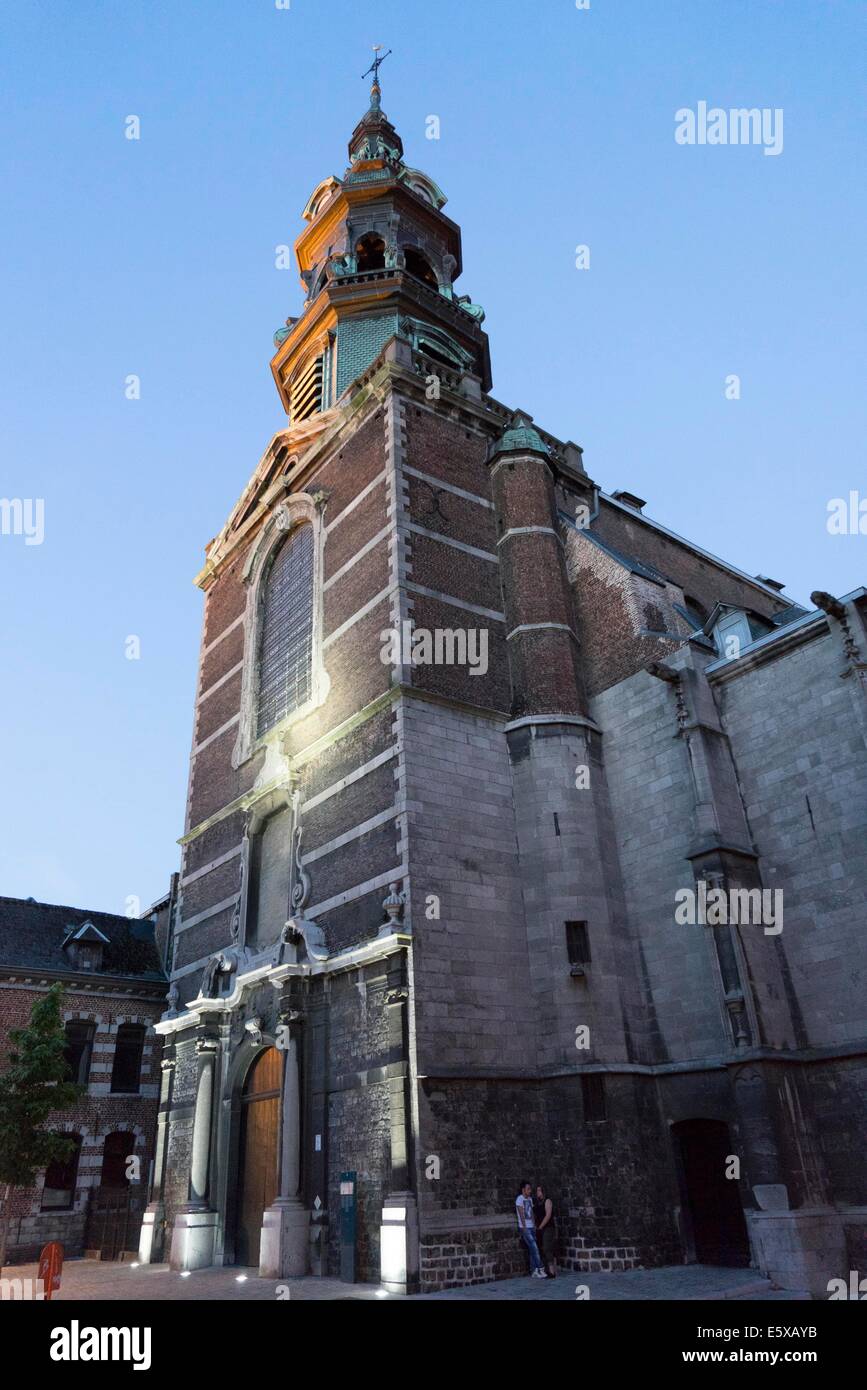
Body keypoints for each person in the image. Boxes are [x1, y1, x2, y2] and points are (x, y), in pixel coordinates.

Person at [515, 1180, 547, 1278]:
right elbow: (521, 1214)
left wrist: (534, 1225)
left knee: (532, 1249)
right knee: (534, 1247)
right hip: (525, 1228)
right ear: (523, 1190)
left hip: (531, 1227)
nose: (530, 1191)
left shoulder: (530, 1199)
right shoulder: (519, 1199)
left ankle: (534, 1271)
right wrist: (524, 1228)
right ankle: (540, 1267)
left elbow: (531, 1213)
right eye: (528, 1189)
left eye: (530, 1189)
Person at [534, 1183, 557, 1278]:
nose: (537, 1192)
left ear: (543, 1191)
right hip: (541, 1229)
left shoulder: (547, 1201)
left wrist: (540, 1226)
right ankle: (547, 1270)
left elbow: (548, 1215)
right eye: (537, 1190)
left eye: (539, 1190)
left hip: (548, 1228)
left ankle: (552, 1272)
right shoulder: (537, 1203)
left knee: (547, 1248)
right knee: (543, 1249)